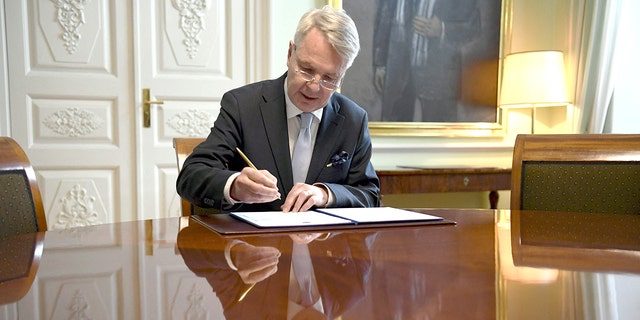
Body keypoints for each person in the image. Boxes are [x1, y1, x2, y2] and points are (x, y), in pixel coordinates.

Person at [176, 6, 380, 213]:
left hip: (322, 243)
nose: (313, 86)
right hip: (252, 243)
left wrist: (326, 194)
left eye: (329, 78)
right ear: (290, 53)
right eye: (306, 69)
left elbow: (369, 195)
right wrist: (235, 186)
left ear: (341, 76)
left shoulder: (353, 119)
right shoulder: (242, 106)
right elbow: (191, 176)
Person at [372, 0, 481, 122]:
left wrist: (442, 28)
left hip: (439, 77)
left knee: (438, 134)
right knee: (393, 133)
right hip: (398, 71)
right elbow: (384, 17)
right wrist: (380, 63)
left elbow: (473, 27)